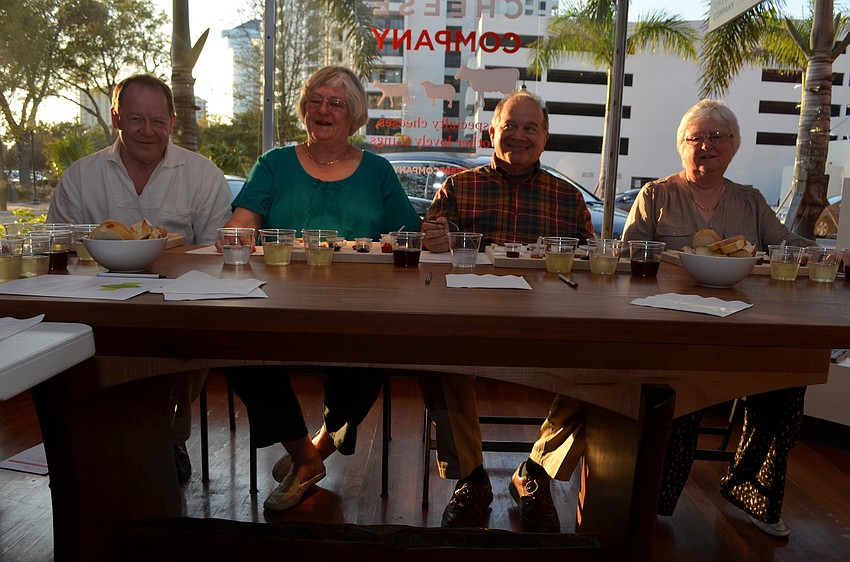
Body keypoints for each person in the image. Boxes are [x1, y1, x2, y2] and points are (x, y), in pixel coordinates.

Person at [221, 65, 420, 512]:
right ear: (304, 108)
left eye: (337, 102)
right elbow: (243, 224)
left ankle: (309, 457)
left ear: (354, 116)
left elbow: (411, 236)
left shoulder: (379, 171)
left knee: (377, 355)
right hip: (278, 302)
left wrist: (435, 235)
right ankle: (302, 455)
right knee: (236, 345)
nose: (323, 109)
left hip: (360, 306)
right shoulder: (273, 164)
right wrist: (236, 231)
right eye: (316, 99)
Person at [621, 99, 813, 538]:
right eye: (695, 138)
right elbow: (628, 254)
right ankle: (655, 496)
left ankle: (750, 488)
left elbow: (786, 243)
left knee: (785, 378)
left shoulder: (751, 200)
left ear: (733, 147)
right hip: (671, 325)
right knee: (676, 388)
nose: (706, 145)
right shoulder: (656, 195)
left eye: (717, 137)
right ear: (681, 147)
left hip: (743, 323)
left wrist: (826, 252)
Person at [420, 89, 594, 533]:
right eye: (509, 126)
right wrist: (435, 241)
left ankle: (535, 472)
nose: (518, 136)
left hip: (549, 321)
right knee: (435, 356)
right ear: (492, 132)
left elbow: (592, 266)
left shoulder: (568, 198)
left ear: (545, 137)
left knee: (606, 365)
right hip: (470, 316)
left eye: (530, 128)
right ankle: (472, 479)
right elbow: (432, 253)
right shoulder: (459, 187)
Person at [47, 73, 233, 483]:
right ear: (116, 118)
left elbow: (214, 252)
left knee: (192, 339)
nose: (147, 131)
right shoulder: (81, 175)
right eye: (135, 119)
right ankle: (93, 438)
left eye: (157, 121)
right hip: (94, 301)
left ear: (172, 121)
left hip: (178, 300)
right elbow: (56, 247)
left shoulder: (202, 175)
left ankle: (171, 437)